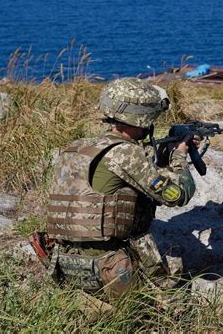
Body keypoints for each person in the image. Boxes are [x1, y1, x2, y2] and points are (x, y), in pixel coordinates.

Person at [44, 77, 198, 298]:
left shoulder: (76, 147)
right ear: (143, 117)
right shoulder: (126, 153)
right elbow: (178, 195)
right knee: (178, 289)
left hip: (64, 264)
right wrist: (179, 157)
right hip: (109, 269)